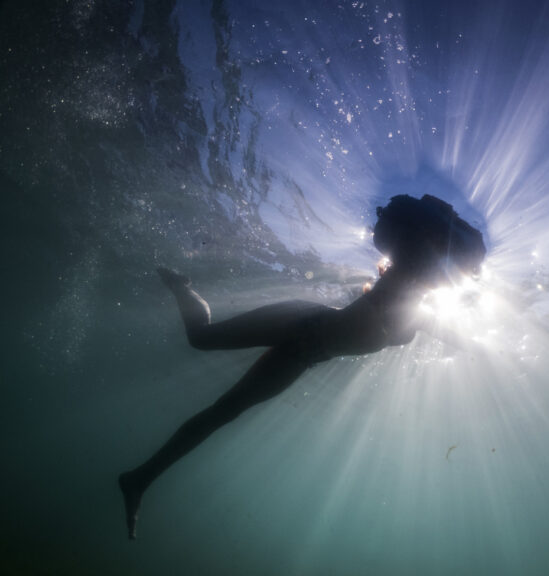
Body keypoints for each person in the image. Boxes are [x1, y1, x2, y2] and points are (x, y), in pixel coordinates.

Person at [118, 194, 486, 540]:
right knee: (202, 339)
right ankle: (182, 288)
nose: (458, 274)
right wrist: (440, 230)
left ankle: (140, 479)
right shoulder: (407, 271)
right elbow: (421, 252)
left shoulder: (422, 314)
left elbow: (462, 337)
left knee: (223, 412)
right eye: (456, 264)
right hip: (302, 322)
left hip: (307, 356)